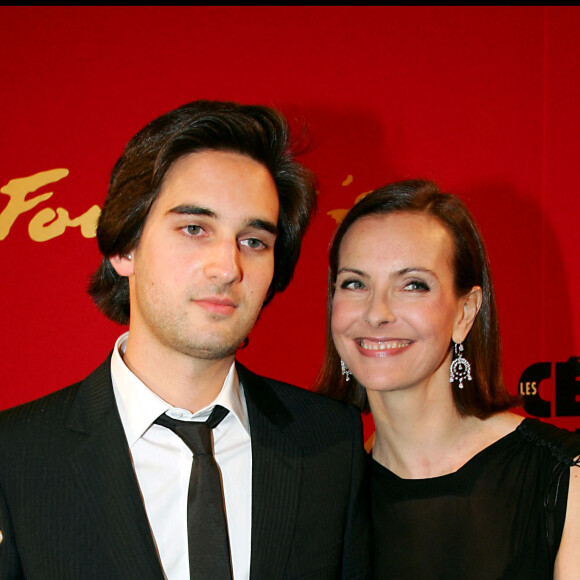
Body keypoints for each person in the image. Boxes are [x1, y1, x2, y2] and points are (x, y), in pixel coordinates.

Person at [0, 100, 371, 580]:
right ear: (124, 246)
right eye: (195, 229)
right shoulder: (16, 456)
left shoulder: (330, 444)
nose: (227, 266)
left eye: (254, 241)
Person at [316, 179, 580, 579]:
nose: (376, 313)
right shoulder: (320, 498)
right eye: (355, 283)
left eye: (413, 285)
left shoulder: (563, 478)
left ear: (465, 312)